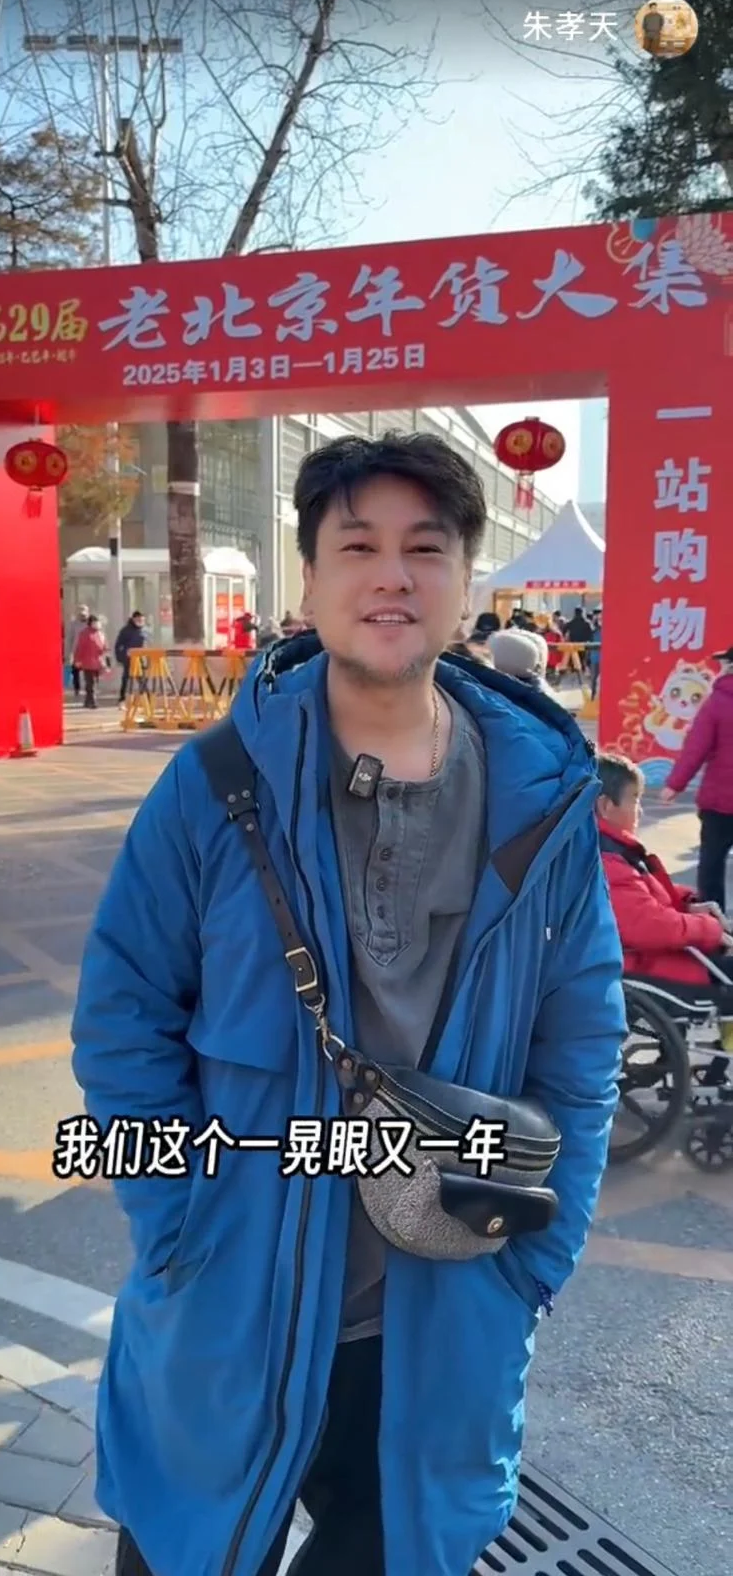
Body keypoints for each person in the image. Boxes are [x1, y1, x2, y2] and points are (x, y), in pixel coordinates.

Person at [70, 429, 626, 1576]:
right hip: (231, 1299)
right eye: (358, 546)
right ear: (312, 578)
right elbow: (124, 1017)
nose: (392, 576)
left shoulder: (541, 798)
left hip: (443, 1311)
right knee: (185, 1550)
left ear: (465, 580)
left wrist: (536, 1258)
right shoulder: (216, 783)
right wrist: (178, 1230)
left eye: (425, 548)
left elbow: (584, 1037)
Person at [597, 752, 733, 1061]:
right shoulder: (608, 860)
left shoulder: (612, 851)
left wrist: (687, 904)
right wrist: (709, 929)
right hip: (647, 965)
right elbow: (649, 925)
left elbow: (648, 900)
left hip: (651, 957)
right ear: (606, 806)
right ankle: (723, 1057)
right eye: (634, 799)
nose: (640, 810)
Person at [660, 645, 733, 912]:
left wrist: (674, 784)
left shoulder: (718, 702)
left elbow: (696, 748)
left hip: (721, 801)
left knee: (712, 863)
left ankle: (715, 922)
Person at [72, 614, 110, 709]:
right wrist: (77, 660)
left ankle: (87, 701)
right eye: (95, 622)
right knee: (91, 682)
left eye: (98, 622)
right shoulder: (85, 634)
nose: (98, 624)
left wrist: (106, 660)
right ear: (91, 623)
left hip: (98, 661)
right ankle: (93, 701)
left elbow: (105, 646)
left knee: (95, 682)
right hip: (88, 661)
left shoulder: (100, 633)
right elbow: (80, 647)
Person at [114, 610, 148, 706]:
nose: (140, 621)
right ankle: (122, 699)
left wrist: (147, 658)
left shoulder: (144, 630)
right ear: (133, 619)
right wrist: (121, 657)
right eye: (138, 619)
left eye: (142, 620)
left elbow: (147, 644)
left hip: (141, 658)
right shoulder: (126, 630)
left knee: (142, 680)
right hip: (129, 659)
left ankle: (147, 700)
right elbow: (118, 645)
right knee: (126, 679)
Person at [65, 604, 89, 699]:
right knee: (76, 671)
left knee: (89, 671)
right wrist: (68, 653)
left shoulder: (90, 623)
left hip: (88, 651)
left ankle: (89, 688)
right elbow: (69, 639)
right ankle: (77, 689)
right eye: (81, 614)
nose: (82, 616)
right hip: (77, 651)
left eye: (84, 614)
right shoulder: (73, 624)